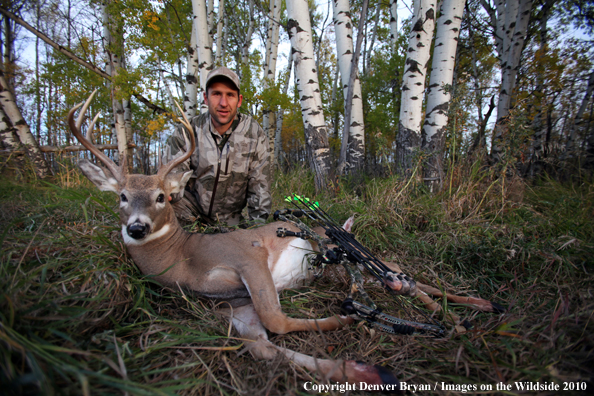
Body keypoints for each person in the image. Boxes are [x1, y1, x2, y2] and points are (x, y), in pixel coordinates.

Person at [165, 66, 271, 227]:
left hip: (231, 222)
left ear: (239, 100)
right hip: (188, 216)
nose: (223, 103)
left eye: (230, 95)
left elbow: (260, 190)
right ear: (206, 99)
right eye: (216, 94)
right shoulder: (186, 132)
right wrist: (167, 195)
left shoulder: (255, 134)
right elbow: (173, 184)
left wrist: (257, 228)